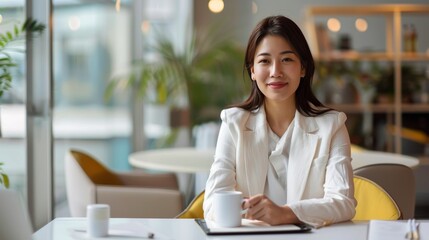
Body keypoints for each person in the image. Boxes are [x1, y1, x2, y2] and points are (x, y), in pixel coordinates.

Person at [203, 15, 356, 228]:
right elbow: (212, 203)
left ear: (303, 68)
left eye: (286, 59)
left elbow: (343, 202)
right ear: (253, 71)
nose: (276, 72)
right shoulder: (233, 124)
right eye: (265, 61)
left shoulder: (332, 126)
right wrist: (250, 210)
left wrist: (286, 213)